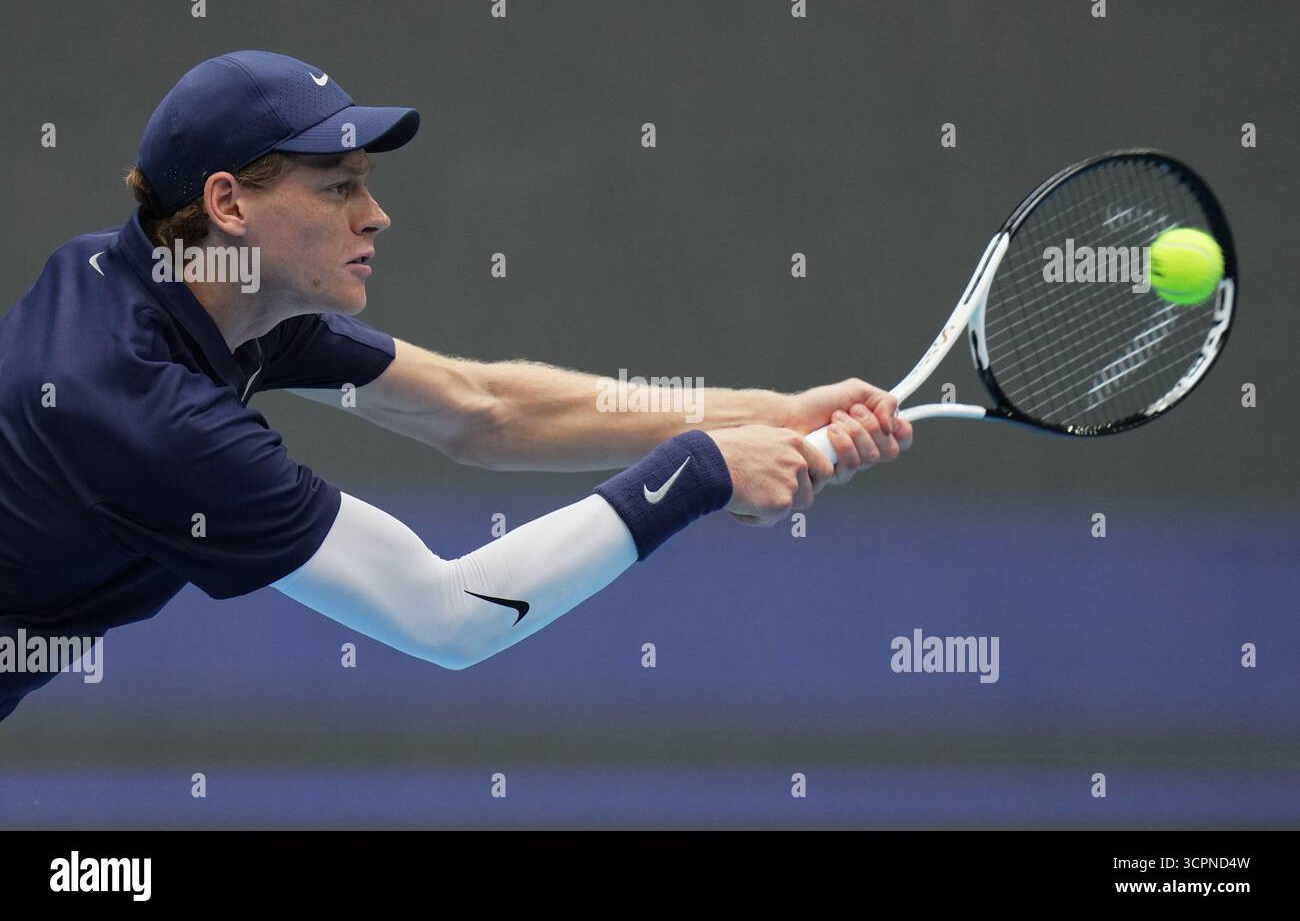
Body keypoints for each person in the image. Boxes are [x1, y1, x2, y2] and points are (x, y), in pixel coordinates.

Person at [0, 51, 911, 721]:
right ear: (230, 203)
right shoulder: (142, 409)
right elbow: (451, 616)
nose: (377, 213)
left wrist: (766, 415)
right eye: (338, 188)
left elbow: (482, 410)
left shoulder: (177, 285)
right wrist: (700, 473)